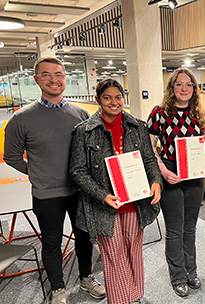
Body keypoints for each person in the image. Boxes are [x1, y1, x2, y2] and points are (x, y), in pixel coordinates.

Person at [4, 57, 105, 304]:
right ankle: (58, 288)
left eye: (58, 74)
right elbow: (12, 157)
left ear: (65, 79)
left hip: (79, 190)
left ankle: (85, 277)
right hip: (46, 193)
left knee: (84, 237)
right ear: (36, 79)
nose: (53, 80)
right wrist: (36, 172)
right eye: (46, 75)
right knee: (51, 242)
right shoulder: (21, 119)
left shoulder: (81, 114)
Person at [69, 78, 162, 304]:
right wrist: (102, 195)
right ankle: (120, 300)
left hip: (135, 203)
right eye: (107, 98)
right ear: (98, 100)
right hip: (104, 206)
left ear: (124, 97)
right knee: (113, 256)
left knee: (133, 253)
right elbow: (78, 171)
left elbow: (149, 160)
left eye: (118, 97)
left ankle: (134, 295)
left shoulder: (138, 126)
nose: (114, 102)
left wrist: (156, 181)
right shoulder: (85, 131)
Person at [147, 68, 205, 297]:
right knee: (175, 229)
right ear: (172, 88)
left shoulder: (199, 114)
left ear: (194, 89)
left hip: (194, 175)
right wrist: (164, 171)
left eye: (189, 85)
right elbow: (150, 148)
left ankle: (191, 271)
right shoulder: (159, 113)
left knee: (190, 227)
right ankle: (177, 275)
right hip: (170, 172)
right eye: (179, 84)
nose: (184, 89)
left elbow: (200, 147)